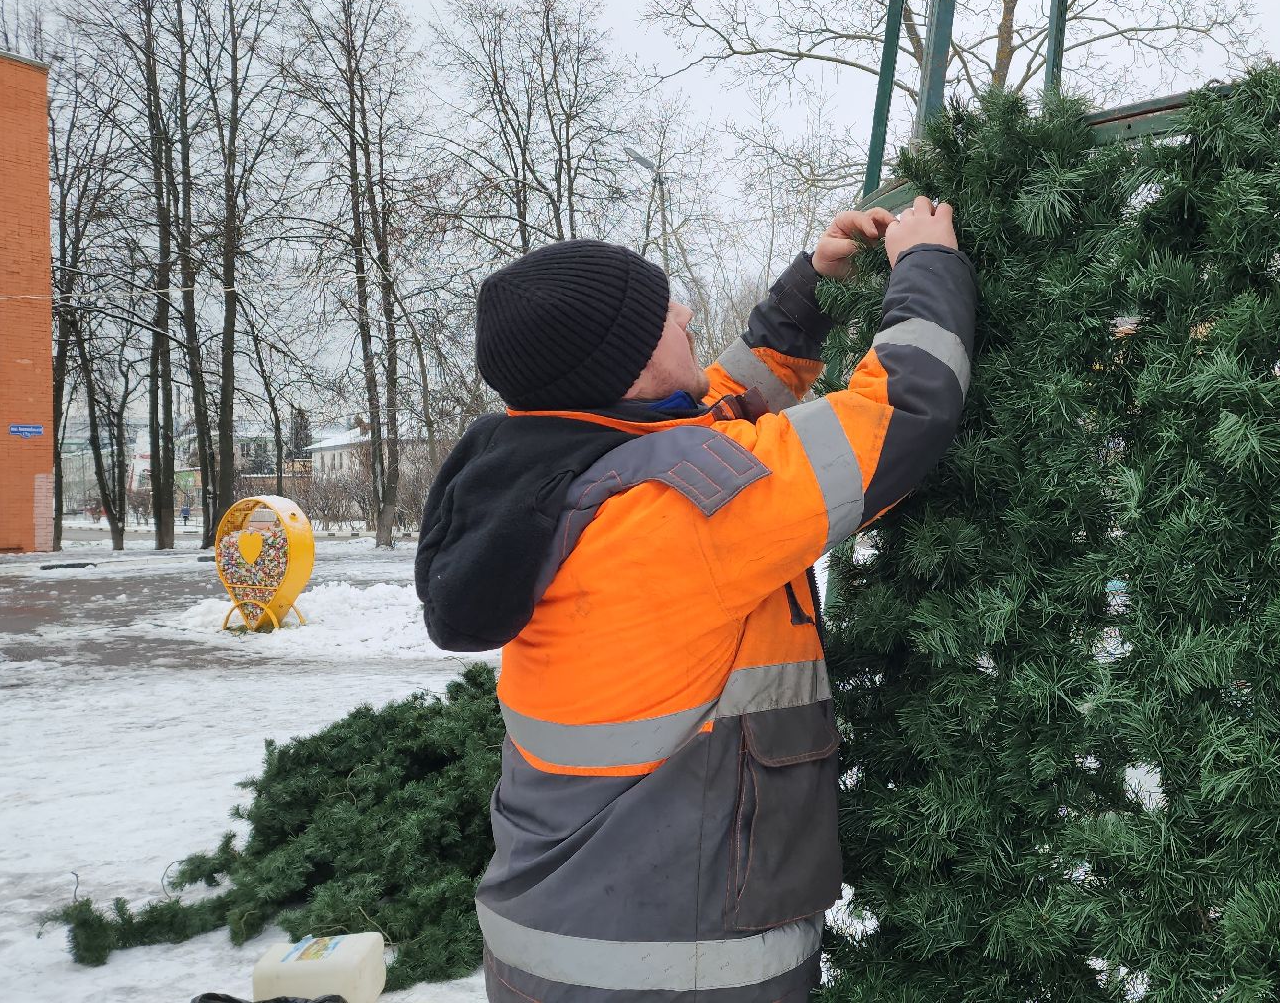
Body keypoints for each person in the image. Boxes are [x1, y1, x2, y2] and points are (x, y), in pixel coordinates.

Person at [416, 196, 975, 1002]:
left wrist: (809, 292)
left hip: (556, 945)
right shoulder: (678, 514)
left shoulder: (545, 467)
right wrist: (928, 266)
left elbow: (711, 401)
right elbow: (901, 413)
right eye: (662, 310)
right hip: (675, 970)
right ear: (631, 368)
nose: (683, 310)